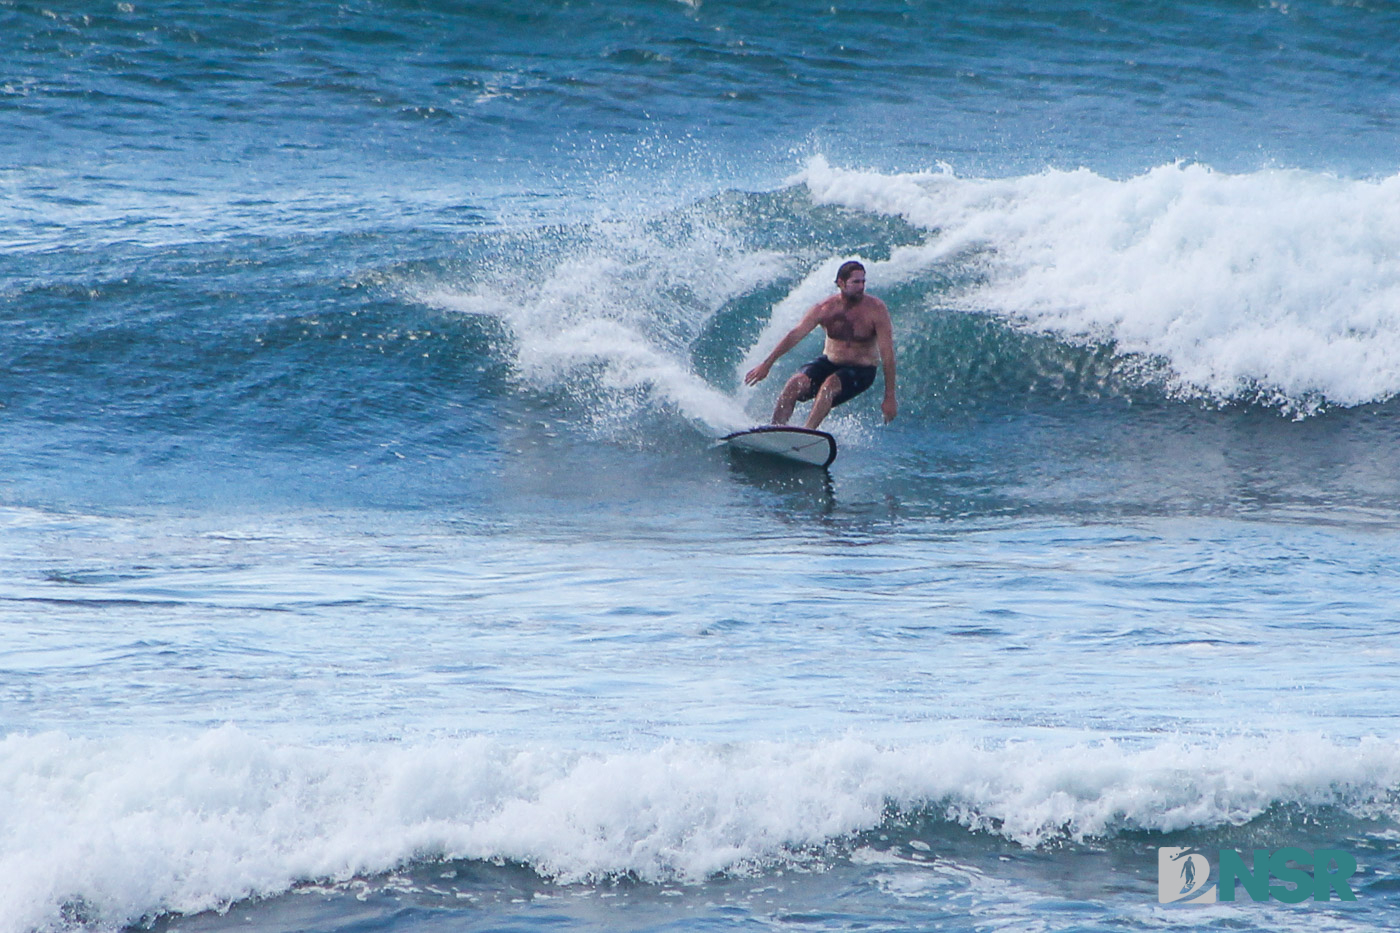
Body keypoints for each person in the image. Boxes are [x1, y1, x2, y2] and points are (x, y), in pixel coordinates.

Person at [743, 260, 897, 429]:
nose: (861, 286)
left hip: (862, 370)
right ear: (841, 283)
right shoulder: (825, 309)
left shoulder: (876, 309)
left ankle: (806, 433)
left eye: (863, 281)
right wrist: (767, 364)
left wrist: (889, 396)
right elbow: (795, 334)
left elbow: (887, 353)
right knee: (794, 384)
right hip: (830, 362)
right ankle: (774, 430)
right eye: (856, 282)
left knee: (829, 385)